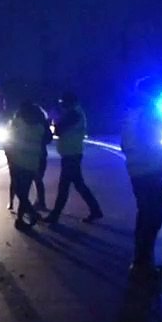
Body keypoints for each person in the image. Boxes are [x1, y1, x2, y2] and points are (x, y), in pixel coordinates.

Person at [122, 78, 162, 278]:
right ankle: (143, 263)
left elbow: (126, 143)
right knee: (154, 216)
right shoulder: (150, 111)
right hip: (150, 168)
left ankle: (142, 260)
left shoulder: (131, 111)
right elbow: (151, 141)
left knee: (145, 214)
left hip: (136, 169)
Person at [45, 91, 103, 224]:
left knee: (64, 186)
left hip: (71, 154)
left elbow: (59, 130)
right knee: (78, 184)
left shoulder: (74, 114)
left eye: (63, 103)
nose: (62, 106)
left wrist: (53, 119)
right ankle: (95, 210)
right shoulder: (76, 113)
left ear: (69, 103)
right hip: (72, 152)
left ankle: (55, 215)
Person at [7, 101, 47, 230]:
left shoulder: (18, 123)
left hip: (18, 162)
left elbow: (9, 141)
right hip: (32, 162)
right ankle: (20, 219)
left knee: (21, 192)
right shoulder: (40, 126)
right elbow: (46, 140)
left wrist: (9, 156)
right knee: (24, 191)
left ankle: (31, 213)